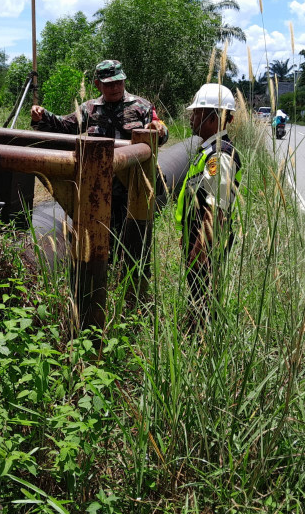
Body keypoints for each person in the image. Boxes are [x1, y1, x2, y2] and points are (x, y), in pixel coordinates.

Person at [31, 59, 169, 239]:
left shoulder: (141, 106)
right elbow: (64, 126)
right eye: (109, 84)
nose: (115, 88)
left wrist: (159, 130)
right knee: (99, 235)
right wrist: (42, 115)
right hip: (99, 186)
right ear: (98, 85)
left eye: (119, 82)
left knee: (134, 237)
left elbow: (160, 131)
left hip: (133, 186)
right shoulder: (89, 109)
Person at [175, 83, 242, 324]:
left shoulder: (219, 156)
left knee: (204, 301)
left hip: (207, 242)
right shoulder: (209, 150)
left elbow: (217, 209)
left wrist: (200, 247)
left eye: (196, 113)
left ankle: (203, 341)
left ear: (213, 118)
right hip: (200, 236)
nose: (191, 118)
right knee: (199, 297)